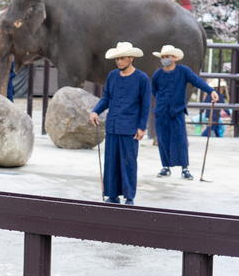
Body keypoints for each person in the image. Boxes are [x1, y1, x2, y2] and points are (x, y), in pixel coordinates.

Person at [89, 42, 151, 205]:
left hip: (130, 128)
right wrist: (96, 111)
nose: (119, 61)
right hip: (113, 126)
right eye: (117, 59)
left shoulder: (142, 79)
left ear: (131, 58)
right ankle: (112, 194)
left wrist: (142, 127)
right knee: (111, 162)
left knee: (129, 162)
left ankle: (129, 196)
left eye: (122, 58)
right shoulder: (112, 76)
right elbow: (106, 97)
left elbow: (146, 105)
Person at [150, 45, 218, 179]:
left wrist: (211, 90)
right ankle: (166, 166)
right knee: (163, 140)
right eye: (163, 57)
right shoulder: (158, 74)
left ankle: (184, 168)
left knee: (180, 140)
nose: (165, 59)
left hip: (177, 111)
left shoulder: (183, 71)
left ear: (174, 58)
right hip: (162, 112)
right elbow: (154, 90)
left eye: (167, 57)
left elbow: (197, 81)